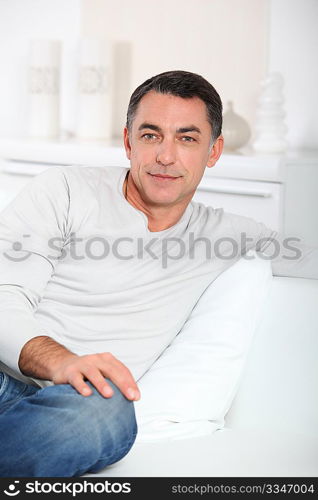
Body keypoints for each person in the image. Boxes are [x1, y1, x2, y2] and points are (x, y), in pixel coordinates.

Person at [0, 70, 317, 477]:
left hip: (75, 408)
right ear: (128, 141)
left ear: (214, 151)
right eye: (151, 135)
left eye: (187, 138)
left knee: (109, 412)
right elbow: (4, 293)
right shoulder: (64, 190)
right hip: (7, 377)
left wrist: (71, 379)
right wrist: (60, 360)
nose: (166, 157)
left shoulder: (229, 235)